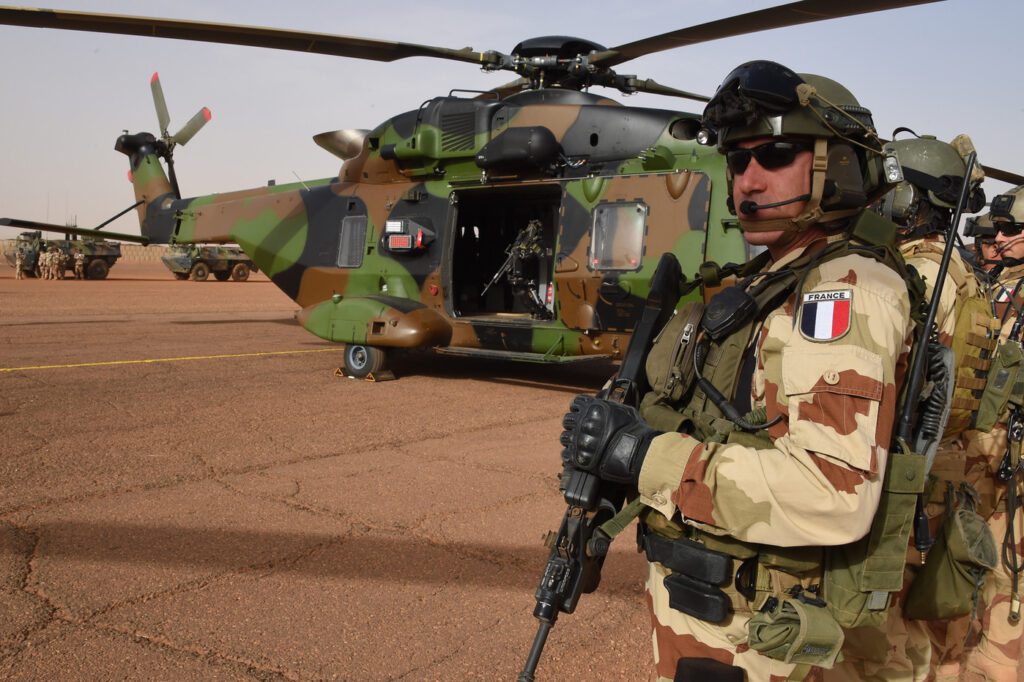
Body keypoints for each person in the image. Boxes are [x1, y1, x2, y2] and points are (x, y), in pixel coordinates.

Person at [557, 60, 914, 681]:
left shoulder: (844, 290)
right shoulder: (768, 277)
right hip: (713, 606)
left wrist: (642, 457)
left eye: (775, 155)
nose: (747, 180)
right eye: (737, 159)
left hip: (761, 633)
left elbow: (831, 494)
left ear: (841, 168)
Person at [848, 134, 996, 682]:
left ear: (911, 198)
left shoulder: (924, 275)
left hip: (915, 476)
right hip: (940, 471)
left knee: (890, 641)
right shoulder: (955, 269)